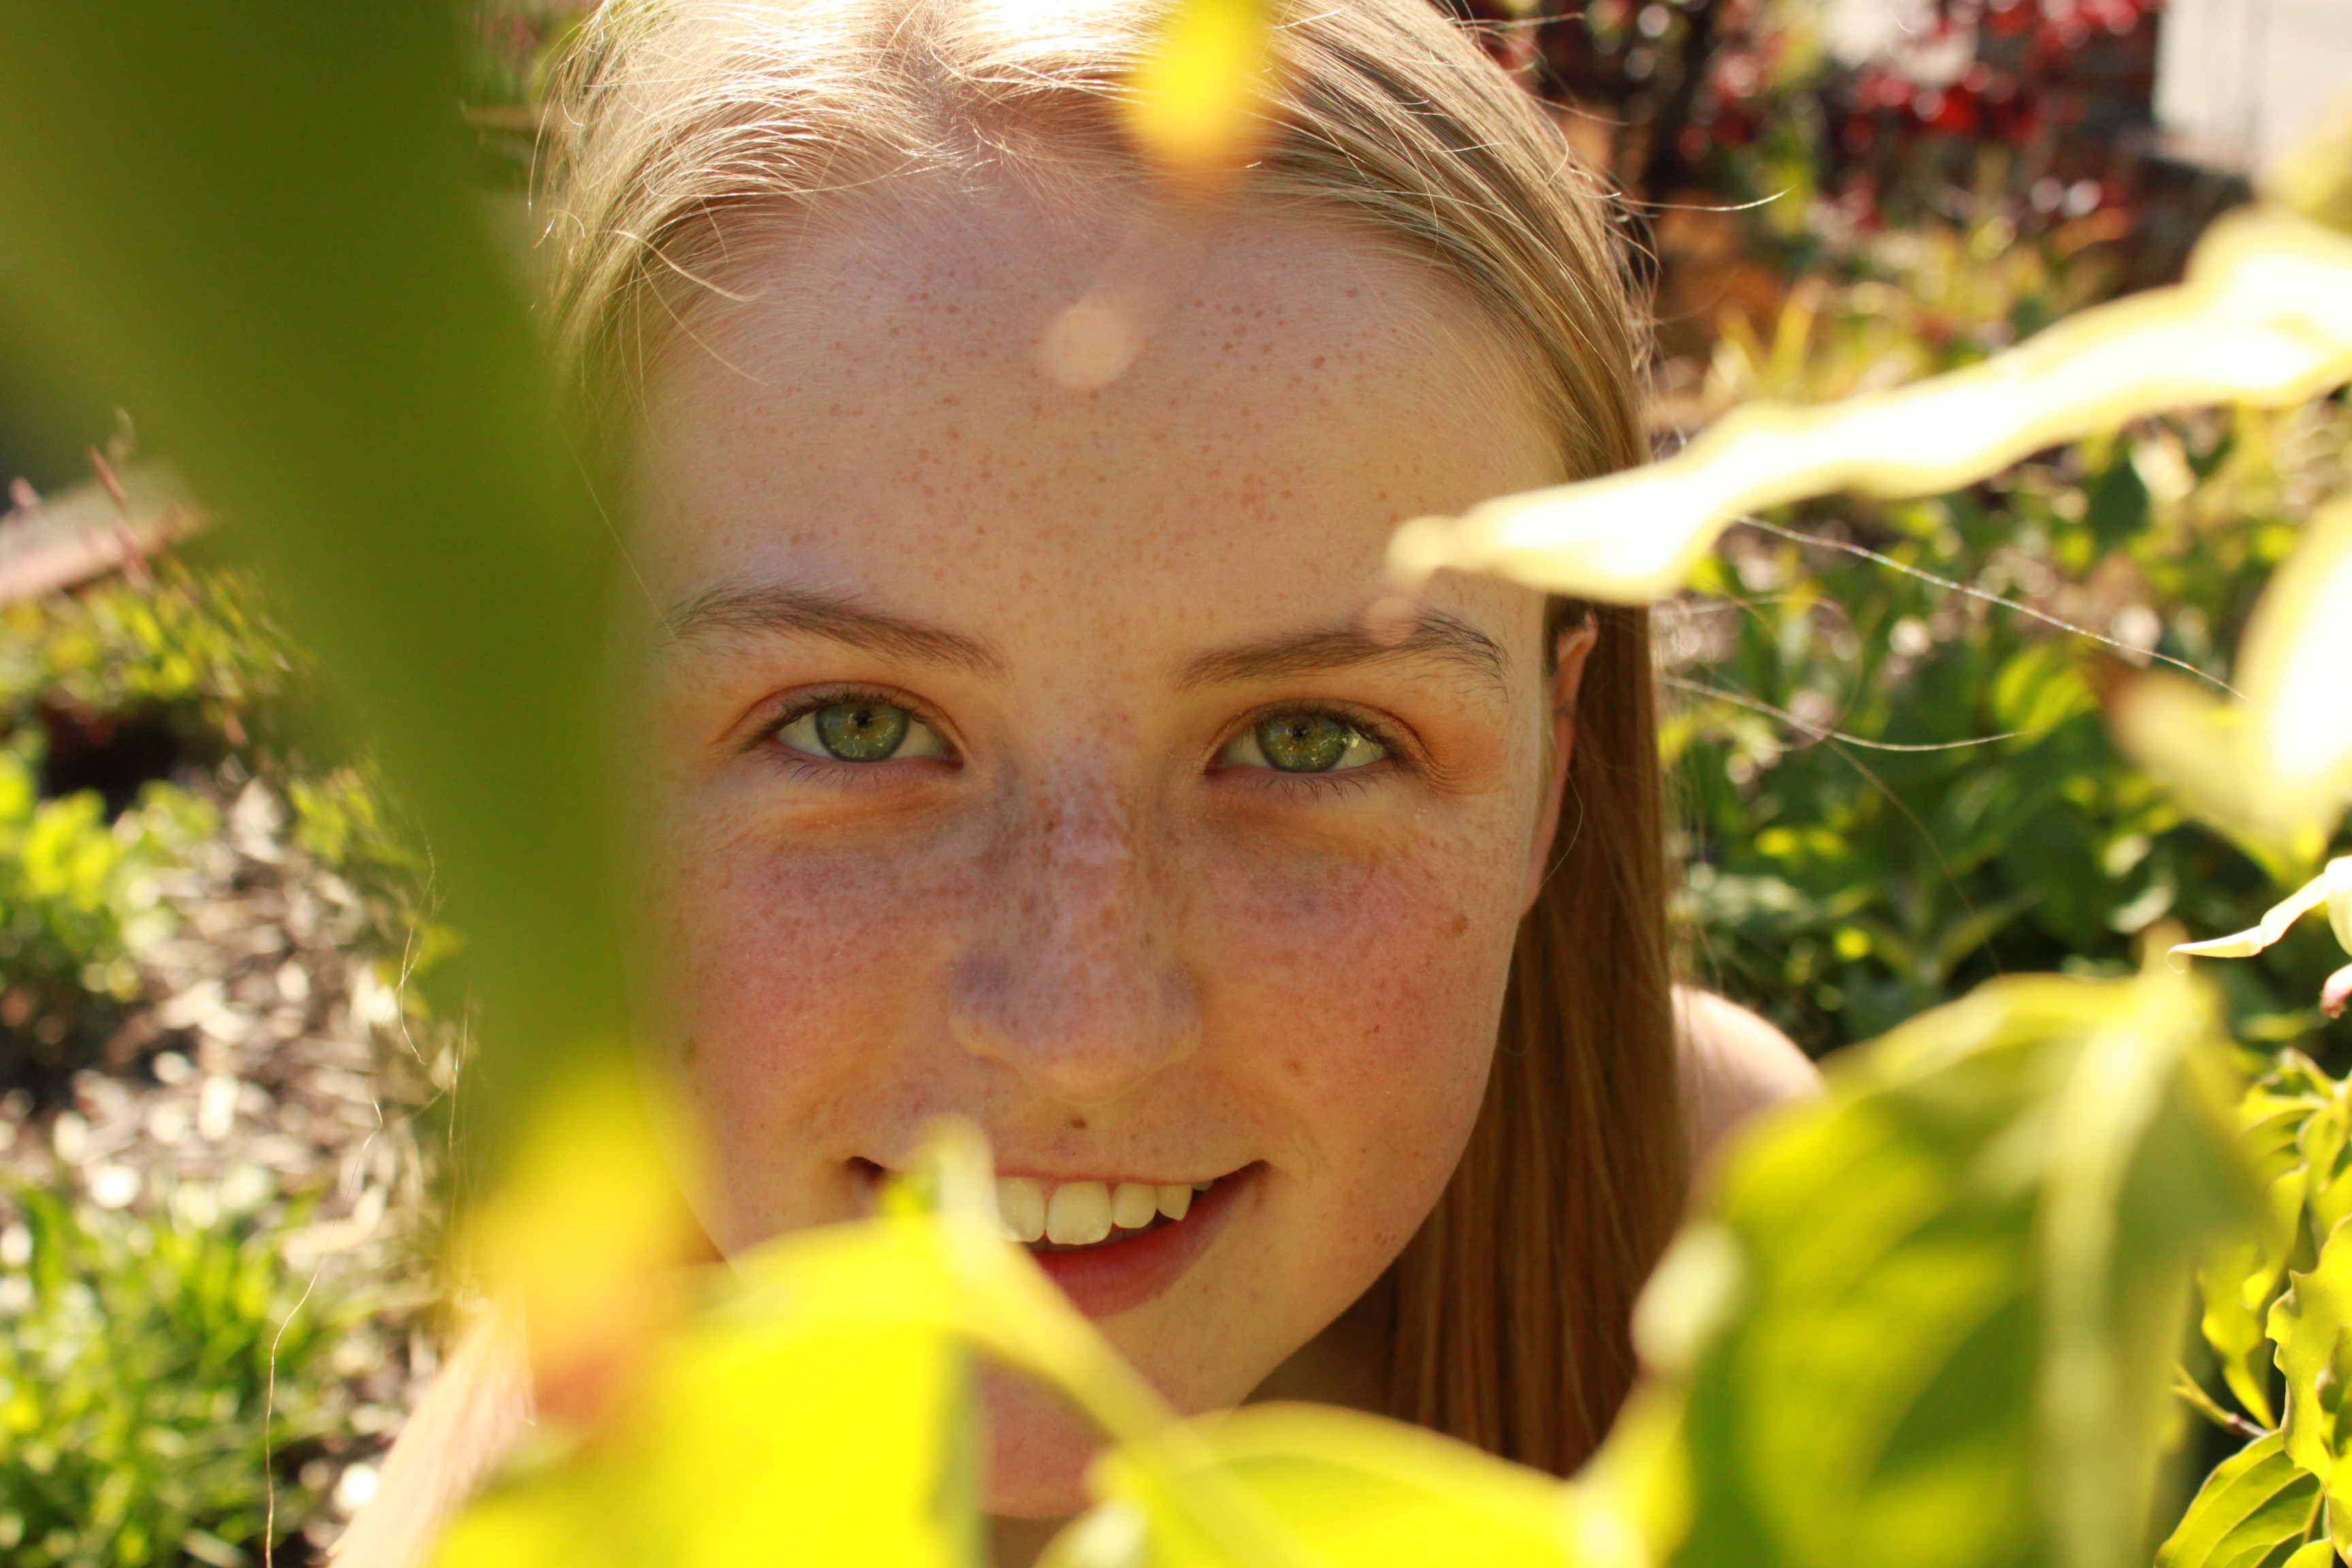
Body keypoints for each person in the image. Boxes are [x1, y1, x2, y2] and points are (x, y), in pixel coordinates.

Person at [336, 0, 1817, 1562]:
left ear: (1549, 772)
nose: (1084, 1033)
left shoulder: (1729, 1245)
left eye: (1315, 740)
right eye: (855, 726)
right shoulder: (562, 1498)